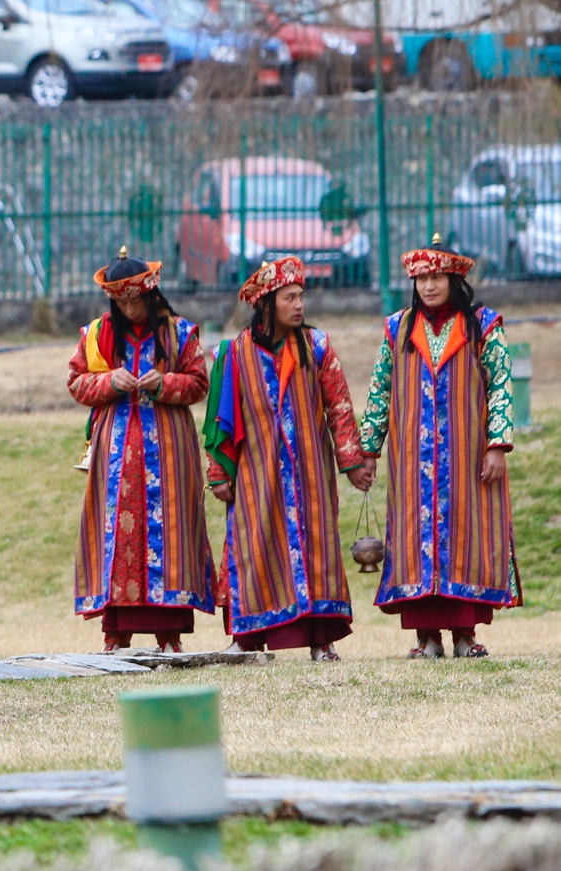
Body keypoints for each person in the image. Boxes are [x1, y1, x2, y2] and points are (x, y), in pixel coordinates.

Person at [204, 257, 373, 659]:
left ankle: (320, 640)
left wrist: (352, 460)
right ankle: (247, 638)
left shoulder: (317, 346)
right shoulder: (233, 353)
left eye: (301, 297)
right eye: (289, 297)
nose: (299, 305)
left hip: (309, 472)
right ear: (266, 303)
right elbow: (219, 418)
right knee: (253, 545)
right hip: (255, 474)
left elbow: (339, 405)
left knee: (314, 546)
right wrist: (218, 472)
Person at [360, 239, 519, 658]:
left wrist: (496, 445)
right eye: (421, 278)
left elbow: (501, 385)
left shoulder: (482, 325)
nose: (429, 286)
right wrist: (368, 450)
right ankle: (426, 636)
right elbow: (380, 390)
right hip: (413, 461)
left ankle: (465, 634)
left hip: (469, 458)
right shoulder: (397, 329)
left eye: (437, 277)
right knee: (417, 543)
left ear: (454, 278)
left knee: (468, 539)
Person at [67, 251, 214, 653]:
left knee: (172, 533)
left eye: (135, 301)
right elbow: (77, 383)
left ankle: (170, 633)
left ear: (151, 296)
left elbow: (199, 384)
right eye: (121, 303)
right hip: (114, 451)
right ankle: (117, 632)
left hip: (169, 451)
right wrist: (110, 381)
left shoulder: (181, 334)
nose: (129, 310)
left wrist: (164, 382)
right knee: (116, 537)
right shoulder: (97, 336)